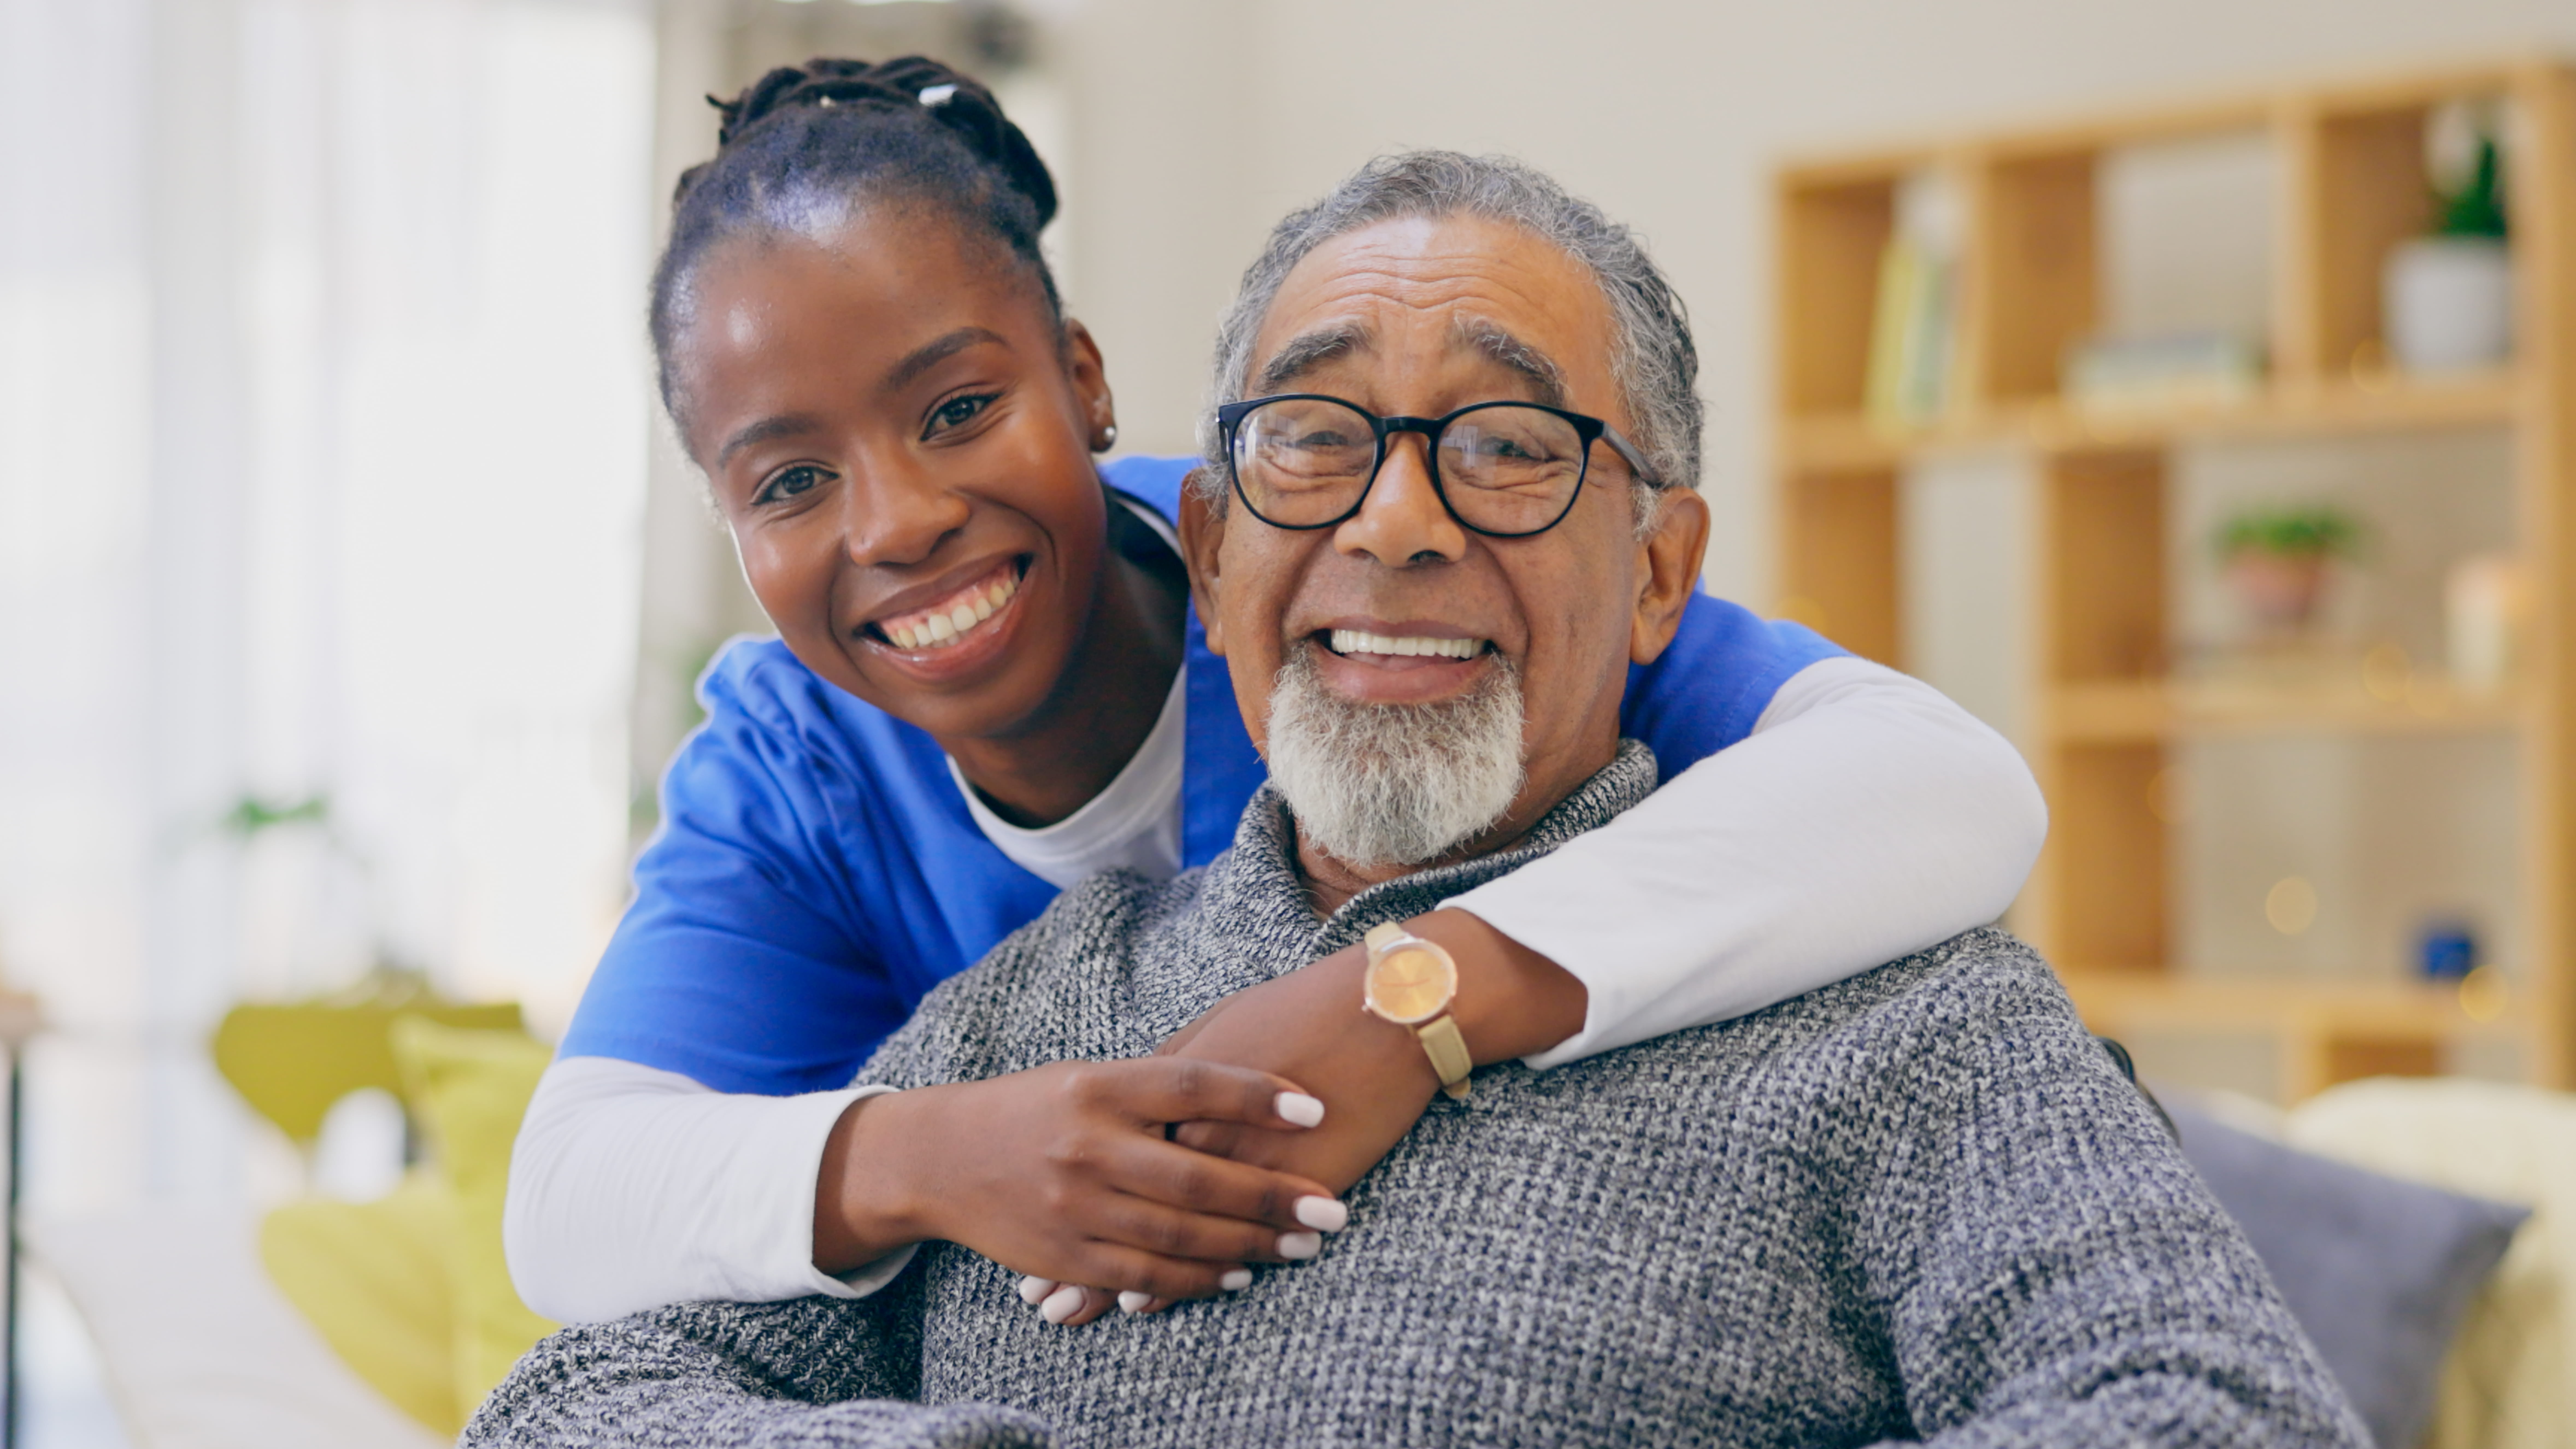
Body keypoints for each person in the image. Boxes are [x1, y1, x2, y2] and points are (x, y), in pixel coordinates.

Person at [464, 150, 2364, 1448]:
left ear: (1654, 574)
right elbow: (573, 1398)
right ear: (1205, 546)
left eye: (1512, 445)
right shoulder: (1031, 1020)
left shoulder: (1900, 1010)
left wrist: (1429, 998)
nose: (1395, 516)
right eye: (1311, 441)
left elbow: (2212, 1407)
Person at [505, 57, 2049, 1327]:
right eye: (788, 479)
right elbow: (572, 1199)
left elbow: (1945, 783)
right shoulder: (800, 764)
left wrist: (1409, 997)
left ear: (1089, 387)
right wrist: (952, 1149)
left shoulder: (1347, 584)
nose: (896, 519)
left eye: (961, 407)